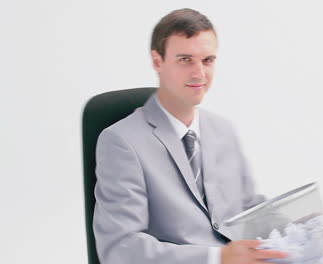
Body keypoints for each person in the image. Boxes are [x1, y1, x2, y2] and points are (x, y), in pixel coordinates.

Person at [93, 8, 288, 264]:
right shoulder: (122, 142)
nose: (199, 74)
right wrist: (217, 257)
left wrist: (299, 232)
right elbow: (121, 247)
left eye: (207, 60)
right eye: (185, 59)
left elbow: (248, 207)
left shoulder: (222, 130)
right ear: (157, 61)